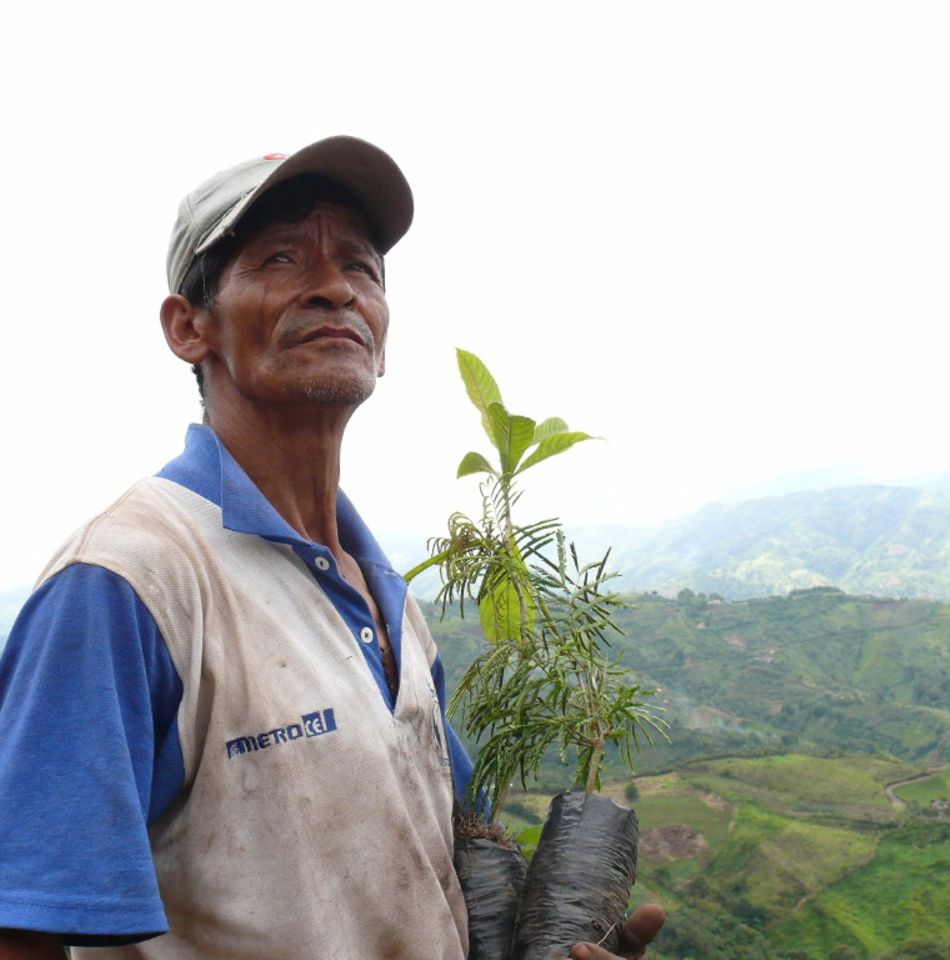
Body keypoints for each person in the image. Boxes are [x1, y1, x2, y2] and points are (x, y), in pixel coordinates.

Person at [0, 136, 664, 959]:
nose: (334, 288)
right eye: (281, 258)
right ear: (188, 327)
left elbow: (438, 860)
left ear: (382, 337)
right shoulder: (128, 584)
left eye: (362, 268)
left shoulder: (392, 604)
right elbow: (21, 925)